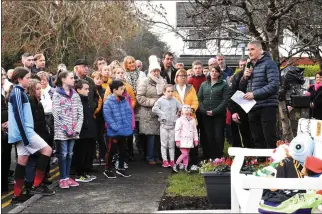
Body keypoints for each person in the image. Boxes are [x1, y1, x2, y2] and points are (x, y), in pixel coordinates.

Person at [8, 67, 55, 203]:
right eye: (27, 78)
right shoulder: (17, 92)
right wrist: (24, 136)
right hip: (25, 132)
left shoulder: (20, 92)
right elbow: (18, 116)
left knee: (22, 160)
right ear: (19, 79)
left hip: (24, 132)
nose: (29, 80)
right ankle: (36, 185)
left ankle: (16, 195)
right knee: (47, 150)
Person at [240, 40, 280, 150]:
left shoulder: (270, 64)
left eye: (252, 49)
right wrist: (244, 77)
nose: (249, 52)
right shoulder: (248, 66)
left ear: (260, 50)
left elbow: (274, 85)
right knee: (256, 139)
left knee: (269, 138)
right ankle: (260, 163)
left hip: (267, 106)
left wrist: (254, 94)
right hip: (252, 106)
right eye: (248, 49)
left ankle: (273, 165)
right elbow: (241, 87)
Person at [52, 70, 83, 189]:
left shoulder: (75, 94)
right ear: (63, 79)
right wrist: (66, 129)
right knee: (63, 154)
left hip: (74, 130)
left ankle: (67, 176)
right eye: (71, 77)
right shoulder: (56, 94)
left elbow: (80, 112)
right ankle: (63, 178)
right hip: (62, 131)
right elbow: (56, 113)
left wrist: (77, 128)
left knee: (70, 153)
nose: (73, 80)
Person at [137, 55, 166, 165]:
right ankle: (149, 157)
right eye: (154, 70)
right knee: (151, 136)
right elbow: (139, 97)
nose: (156, 73)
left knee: (159, 137)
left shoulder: (162, 81)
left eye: (157, 70)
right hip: (148, 113)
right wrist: (154, 102)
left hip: (159, 114)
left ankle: (157, 156)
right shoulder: (145, 81)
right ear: (150, 71)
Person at [198, 65, 230, 159]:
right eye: (212, 71)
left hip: (218, 115)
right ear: (209, 72)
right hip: (205, 114)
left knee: (218, 135)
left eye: (216, 71)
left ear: (219, 73)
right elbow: (199, 98)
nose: (214, 73)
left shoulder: (223, 85)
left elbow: (225, 100)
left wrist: (215, 111)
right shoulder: (204, 84)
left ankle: (218, 155)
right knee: (207, 135)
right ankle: (208, 155)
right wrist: (204, 110)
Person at [103, 80, 132, 178]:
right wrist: (115, 127)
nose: (123, 90)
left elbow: (129, 112)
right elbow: (108, 117)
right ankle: (108, 169)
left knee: (123, 149)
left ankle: (120, 168)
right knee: (111, 150)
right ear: (114, 90)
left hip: (124, 130)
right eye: (121, 89)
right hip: (114, 132)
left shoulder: (124, 100)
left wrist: (127, 124)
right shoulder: (108, 102)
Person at [173, 69, 199, 171]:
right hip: (178, 119)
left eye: (185, 75)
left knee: (192, 141)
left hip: (190, 118)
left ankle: (192, 163)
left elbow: (195, 101)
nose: (183, 77)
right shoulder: (173, 88)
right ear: (176, 77)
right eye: (181, 75)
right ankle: (179, 163)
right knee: (179, 142)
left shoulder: (190, 88)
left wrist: (191, 110)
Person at [152, 84, 182, 168]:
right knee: (164, 144)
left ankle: (172, 160)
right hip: (164, 125)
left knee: (171, 144)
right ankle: (165, 160)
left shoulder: (175, 100)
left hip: (173, 125)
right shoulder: (160, 100)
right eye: (168, 91)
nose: (170, 93)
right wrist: (162, 114)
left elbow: (181, 107)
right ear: (164, 92)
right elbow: (154, 109)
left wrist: (178, 114)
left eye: (172, 91)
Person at [73, 79, 97, 183]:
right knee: (80, 153)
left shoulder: (86, 100)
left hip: (89, 130)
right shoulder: (77, 101)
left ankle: (84, 172)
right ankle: (79, 174)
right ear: (78, 90)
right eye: (85, 89)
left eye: (88, 89)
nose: (88, 91)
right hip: (82, 131)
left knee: (87, 152)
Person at [229, 58, 254, 148]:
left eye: (246, 64)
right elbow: (231, 94)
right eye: (242, 65)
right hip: (242, 110)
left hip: (256, 109)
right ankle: (248, 158)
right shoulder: (237, 76)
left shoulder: (257, 74)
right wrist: (233, 112)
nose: (244, 67)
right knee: (245, 135)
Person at [173, 105, 198, 173]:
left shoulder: (193, 120)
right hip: (182, 140)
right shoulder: (179, 120)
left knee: (187, 154)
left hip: (189, 140)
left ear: (191, 110)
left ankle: (185, 166)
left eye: (188, 108)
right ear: (181, 111)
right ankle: (176, 164)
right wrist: (177, 140)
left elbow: (195, 131)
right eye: (185, 108)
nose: (187, 109)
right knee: (185, 154)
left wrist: (195, 140)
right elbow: (177, 131)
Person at [91, 71, 106, 163]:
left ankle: (102, 155)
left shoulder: (104, 91)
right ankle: (93, 155)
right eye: (97, 79)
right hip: (93, 116)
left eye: (100, 79)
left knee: (101, 137)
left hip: (102, 116)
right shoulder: (91, 91)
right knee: (93, 137)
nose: (99, 81)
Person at [1, 68, 12, 193]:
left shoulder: (4, 90)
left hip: (6, 132)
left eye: (4, 75)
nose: (3, 77)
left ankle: (3, 184)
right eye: (1, 75)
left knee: (6, 159)